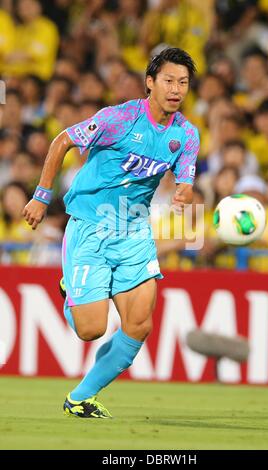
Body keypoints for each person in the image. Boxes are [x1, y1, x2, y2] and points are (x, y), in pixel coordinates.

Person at [22, 47, 200, 419]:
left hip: (133, 232)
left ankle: (79, 398)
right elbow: (62, 141)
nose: (176, 89)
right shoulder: (119, 119)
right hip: (90, 226)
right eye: (168, 80)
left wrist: (185, 191)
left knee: (140, 325)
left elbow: (184, 180)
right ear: (150, 82)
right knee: (91, 330)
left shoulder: (186, 134)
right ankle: (70, 289)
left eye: (183, 82)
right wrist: (41, 196)